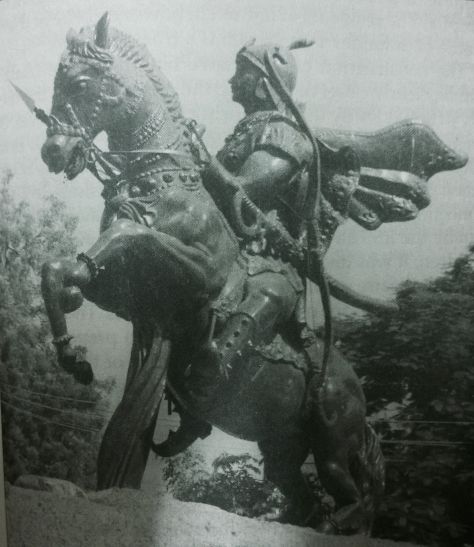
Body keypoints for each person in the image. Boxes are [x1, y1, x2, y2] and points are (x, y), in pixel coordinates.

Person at [154, 38, 352, 456]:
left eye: (240, 72)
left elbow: (248, 188)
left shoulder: (286, 135)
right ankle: (186, 401)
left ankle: (207, 381)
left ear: (263, 83)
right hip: (231, 248)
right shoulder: (245, 131)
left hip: (274, 262)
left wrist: (205, 161)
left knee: (268, 292)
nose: (231, 80)